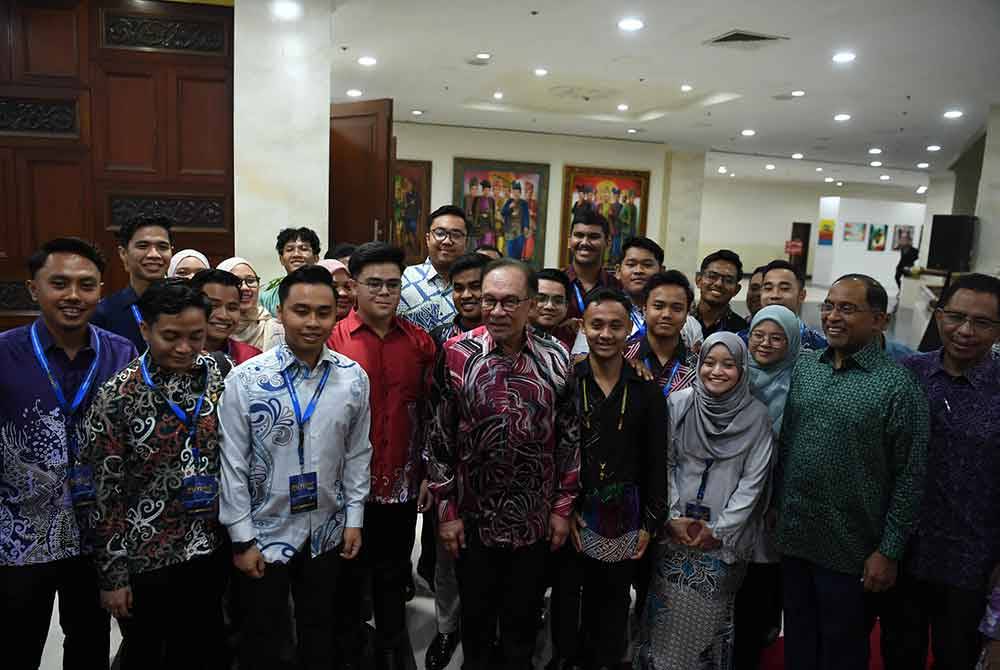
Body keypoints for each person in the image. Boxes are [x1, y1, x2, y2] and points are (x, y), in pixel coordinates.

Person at [426, 258, 580, 670]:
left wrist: (562, 508)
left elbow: (569, 439)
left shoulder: (556, 358)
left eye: (510, 301)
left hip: (534, 520)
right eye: (489, 300)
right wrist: (447, 511)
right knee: (476, 625)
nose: (497, 311)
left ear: (530, 304)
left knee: (520, 626)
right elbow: (439, 438)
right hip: (473, 519)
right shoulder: (456, 354)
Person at [218, 265, 372, 670]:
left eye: (323, 312)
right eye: (301, 311)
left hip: (327, 527)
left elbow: (358, 453)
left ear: (336, 313)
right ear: (280, 312)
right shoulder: (246, 379)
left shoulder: (353, 378)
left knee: (320, 629)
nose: (313, 322)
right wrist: (242, 538)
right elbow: (232, 463)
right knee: (265, 637)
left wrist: (354, 518)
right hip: (264, 530)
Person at [776, 274, 930, 670]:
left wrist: (889, 551)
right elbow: (788, 442)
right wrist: (777, 508)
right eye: (829, 306)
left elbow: (911, 476)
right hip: (795, 538)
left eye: (847, 308)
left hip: (852, 552)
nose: (833, 316)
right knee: (798, 643)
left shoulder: (898, 387)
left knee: (841, 652)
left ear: (879, 320)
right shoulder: (807, 367)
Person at [0, 238, 137, 670]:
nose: (74, 295)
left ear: (100, 290)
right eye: (59, 283)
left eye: (86, 285)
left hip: (97, 536)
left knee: (90, 646)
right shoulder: (4, 353)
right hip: (20, 537)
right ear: (33, 288)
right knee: (15, 646)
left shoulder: (122, 353)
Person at [81, 278, 229, 669]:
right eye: (171, 336)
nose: (185, 348)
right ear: (145, 329)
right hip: (147, 557)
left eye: (196, 336)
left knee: (205, 648)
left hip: (210, 546)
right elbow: (104, 494)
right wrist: (113, 577)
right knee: (148, 653)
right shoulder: (117, 396)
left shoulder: (218, 374)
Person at [878, 274, 1000, 669]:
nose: (965, 331)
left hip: (972, 566)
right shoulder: (907, 374)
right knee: (899, 655)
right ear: (939, 315)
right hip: (904, 557)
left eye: (982, 322)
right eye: (956, 317)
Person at [635, 332, 774, 670]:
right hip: (675, 534)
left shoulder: (757, 416)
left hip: (721, 541)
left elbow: (753, 483)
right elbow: (663, 462)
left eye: (728, 365)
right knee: (664, 620)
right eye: (709, 362)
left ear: (742, 369)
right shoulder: (679, 403)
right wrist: (671, 517)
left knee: (707, 628)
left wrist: (720, 530)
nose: (716, 371)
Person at [327, 242, 437, 670]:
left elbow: (429, 412)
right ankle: (351, 650)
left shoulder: (420, 342)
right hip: (343, 487)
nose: (385, 292)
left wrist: (426, 472)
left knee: (393, 574)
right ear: (353, 286)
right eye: (374, 283)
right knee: (347, 577)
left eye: (393, 284)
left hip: (401, 483)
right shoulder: (333, 339)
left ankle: (392, 647)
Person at [552, 289, 667, 670]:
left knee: (614, 599)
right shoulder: (567, 383)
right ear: (582, 327)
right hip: (573, 509)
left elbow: (657, 460)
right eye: (596, 325)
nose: (605, 334)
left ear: (629, 328)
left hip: (625, 513)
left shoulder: (647, 390)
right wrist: (562, 509)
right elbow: (551, 452)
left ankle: (606, 659)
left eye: (615, 326)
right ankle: (566, 658)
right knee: (567, 596)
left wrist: (651, 521)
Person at [423, 251, 490, 670]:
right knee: (447, 558)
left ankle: (485, 631)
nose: (467, 295)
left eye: (475, 287)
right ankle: (447, 628)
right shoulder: (438, 339)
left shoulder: (515, 337)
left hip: (499, 478)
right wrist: (429, 472)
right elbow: (431, 411)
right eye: (459, 288)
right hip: (449, 471)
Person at [733, 304, 801, 670]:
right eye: (758, 335)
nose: (765, 343)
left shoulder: (800, 385)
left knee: (758, 584)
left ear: (792, 342)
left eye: (777, 338)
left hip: (773, 495)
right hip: (730, 491)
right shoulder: (735, 374)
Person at [92, 215, 175, 352]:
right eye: (143, 246)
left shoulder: (186, 309)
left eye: (162, 247)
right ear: (123, 253)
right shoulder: (103, 313)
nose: (154, 254)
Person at [624, 271, 700, 395]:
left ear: (687, 314)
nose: (666, 315)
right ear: (644, 309)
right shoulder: (623, 355)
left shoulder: (699, 367)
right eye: (658, 306)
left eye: (676, 308)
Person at [399, 205, 469, 332]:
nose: (447, 241)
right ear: (428, 239)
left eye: (456, 235)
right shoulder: (402, 278)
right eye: (440, 233)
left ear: (466, 242)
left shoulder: (475, 287)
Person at [189, 269, 262, 368]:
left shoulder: (251, 359)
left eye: (232, 308)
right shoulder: (175, 355)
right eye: (213, 306)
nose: (223, 316)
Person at [756, 259, 828, 351]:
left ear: (801, 295)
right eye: (768, 288)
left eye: (784, 288)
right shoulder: (743, 341)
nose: (775, 295)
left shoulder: (820, 347)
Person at [217, 256, 285, 352]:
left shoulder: (277, 330)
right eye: (236, 282)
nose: (245, 287)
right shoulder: (212, 329)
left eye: (250, 281)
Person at [563, 209, 621, 322]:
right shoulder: (555, 284)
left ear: (608, 242)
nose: (584, 242)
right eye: (579, 235)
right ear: (569, 241)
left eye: (593, 237)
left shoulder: (618, 288)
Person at [259, 227, 322, 317]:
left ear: (316, 257)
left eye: (303, 249)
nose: (296, 254)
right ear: (281, 259)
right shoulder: (267, 298)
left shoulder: (327, 293)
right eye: (289, 249)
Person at [693, 250, 748, 336]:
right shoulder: (681, 319)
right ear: (698, 280)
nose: (719, 284)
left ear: (736, 290)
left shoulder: (742, 330)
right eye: (712, 276)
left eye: (728, 280)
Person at [617, 237, 664, 335]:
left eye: (647, 265)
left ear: (661, 271)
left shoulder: (674, 315)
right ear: (618, 271)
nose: (638, 271)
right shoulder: (603, 311)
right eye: (631, 264)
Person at [533, 268, 577, 350]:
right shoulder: (513, 337)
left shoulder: (572, 339)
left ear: (566, 306)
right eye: (541, 299)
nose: (549, 306)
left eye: (558, 301)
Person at [501, 181, 531, 260]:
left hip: (519, 230)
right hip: (509, 230)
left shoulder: (524, 203)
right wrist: (509, 207)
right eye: (514, 192)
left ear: (520, 193)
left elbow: (526, 216)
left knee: (519, 250)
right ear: (512, 193)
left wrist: (526, 226)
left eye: (517, 192)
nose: (516, 194)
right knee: (510, 250)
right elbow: (503, 212)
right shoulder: (509, 201)